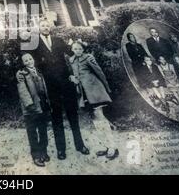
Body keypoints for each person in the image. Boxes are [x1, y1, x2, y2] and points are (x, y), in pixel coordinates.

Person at [29, 19, 89, 160]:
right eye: (42, 25)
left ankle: (80, 146)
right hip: (50, 86)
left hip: (66, 82)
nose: (45, 27)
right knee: (56, 117)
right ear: (38, 28)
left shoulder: (58, 40)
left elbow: (72, 52)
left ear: (50, 27)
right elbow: (28, 60)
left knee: (73, 114)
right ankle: (61, 150)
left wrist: (79, 45)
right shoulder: (35, 43)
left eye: (47, 25)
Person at [68, 40, 119, 161]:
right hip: (84, 94)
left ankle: (112, 147)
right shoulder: (71, 60)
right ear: (72, 50)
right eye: (75, 49)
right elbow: (73, 74)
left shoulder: (88, 57)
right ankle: (106, 147)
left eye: (80, 49)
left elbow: (99, 72)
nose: (78, 51)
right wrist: (72, 78)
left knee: (99, 116)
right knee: (95, 119)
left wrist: (106, 88)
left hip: (95, 91)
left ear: (83, 49)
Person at [16, 53, 51, 167]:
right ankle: (36, 155)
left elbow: (44, 88)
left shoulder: (39, 72)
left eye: (30, 59)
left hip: (42, 105)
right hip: (30, 107)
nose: (29, 61)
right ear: (23, 63)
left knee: (43, 130)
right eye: (26, 60)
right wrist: (29, 105)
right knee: (32, 132)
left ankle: (43, 152)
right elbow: (22, 91)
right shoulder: (21, 74)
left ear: (33, 59)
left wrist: (47, 101)